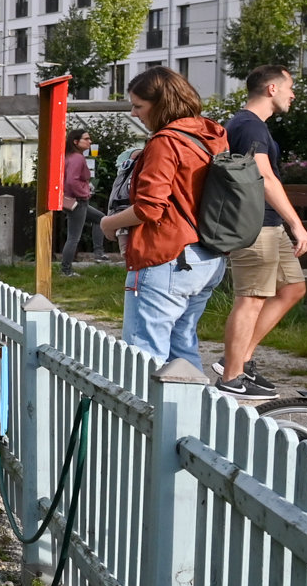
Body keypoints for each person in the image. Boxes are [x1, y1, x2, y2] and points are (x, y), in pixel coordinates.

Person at [96, 66, 227, 372]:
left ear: (162, 104)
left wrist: (109, 223)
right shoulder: (211, 135)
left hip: (164, 257)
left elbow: (149, 208)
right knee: (183, 353)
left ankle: (145, 419)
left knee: (144, 357)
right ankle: (190, 417)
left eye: (139, 106)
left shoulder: (165, 143)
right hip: (205, 257)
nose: (133, 112)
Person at [216, 65, 307, 398]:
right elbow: (264, 177)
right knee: (252, 298)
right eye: (290, 87)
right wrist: (297, 223)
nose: (293, 94)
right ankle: (231, 376)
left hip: (268, 224)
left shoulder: (252, 126)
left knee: (293, 289)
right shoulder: (249, 126)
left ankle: (240, 359)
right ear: (272, 89)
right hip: (255, 225)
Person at [56, 130, 95, 275]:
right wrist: (84, 193)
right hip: (78, 201)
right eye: (86, 139)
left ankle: (99, 253)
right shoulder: (78, 158)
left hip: (72, 200)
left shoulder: (68, 157)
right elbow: (72, 181)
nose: (90, 142)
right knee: (73, 238)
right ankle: (66, 271)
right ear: (75, 141)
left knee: (101, 219)